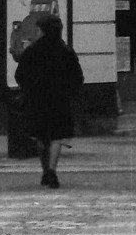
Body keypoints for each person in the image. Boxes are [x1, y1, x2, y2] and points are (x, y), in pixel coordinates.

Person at [15, 14, 84, 188]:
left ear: (42, 31)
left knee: (40, 136)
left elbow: (20, 75)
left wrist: (28, 89)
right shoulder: (65, 51)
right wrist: (70, 92)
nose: (35, 32)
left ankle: (46, 170)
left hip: (36, 100)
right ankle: (52, 170)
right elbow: (77, 77)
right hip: (59, 101)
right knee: (56, 137)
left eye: (37, 29)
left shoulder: (32, 51)